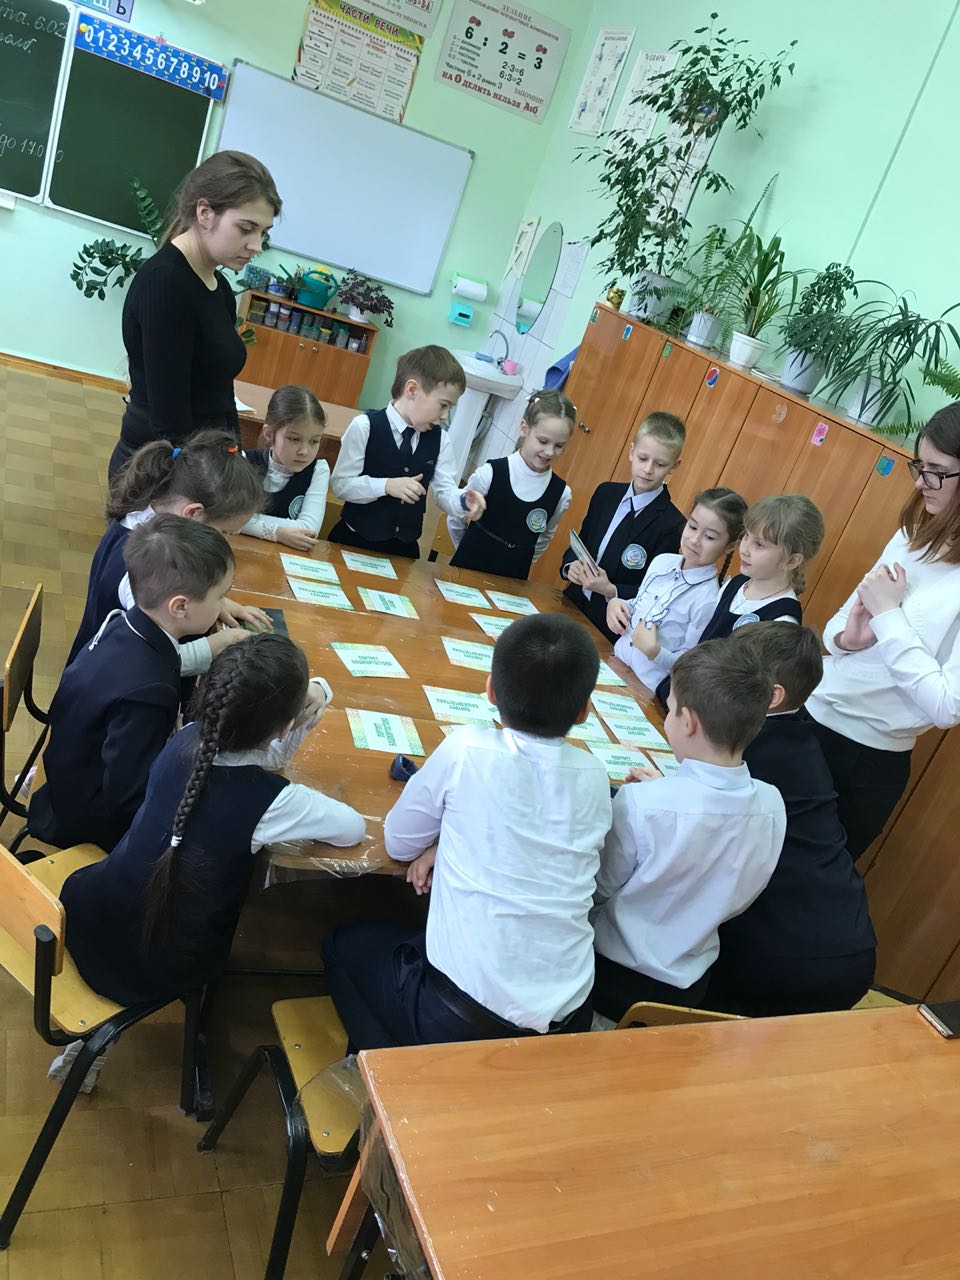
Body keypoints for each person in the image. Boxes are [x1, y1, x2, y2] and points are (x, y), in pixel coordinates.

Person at [322, 614, 612, 1050]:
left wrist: (440, 839)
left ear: (491, 690)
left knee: (342, 945)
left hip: (457, 1017)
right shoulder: (595, 774)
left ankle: (388, 1077)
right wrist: (448, 841)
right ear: (585, 710)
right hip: (568, 1022)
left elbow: (398, 843)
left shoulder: (466, 748)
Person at [58, 633, 365, 1007]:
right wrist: (316, 697)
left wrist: (313, 691)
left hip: (90, 908)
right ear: (285, 727)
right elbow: (353, 828)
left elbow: (265, 756)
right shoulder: (271, 802)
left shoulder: (188, 735)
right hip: (149, 965)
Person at [591, 638, 785, 1019]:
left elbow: (599, 887)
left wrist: (659, 800)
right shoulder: (772, 804)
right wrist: (667, 794)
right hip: (690, 985)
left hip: (613, 978)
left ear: (689, 722)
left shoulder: (642, 805)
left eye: (671, 709)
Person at [28, 516, 237, 851]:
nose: (222, 605)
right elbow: (128, 797)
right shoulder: (150, 692)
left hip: (67, 773)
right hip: (84, 818)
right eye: (220, 597)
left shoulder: (122, 623)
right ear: (180, 606)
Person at [807, 404, 960, 860]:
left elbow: (946, 705)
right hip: (812, 712)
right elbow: (839, 625)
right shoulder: (913, 534)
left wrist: (889, 618)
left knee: (797, 887)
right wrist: (848, 640)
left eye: (937, 472)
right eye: (920, 466)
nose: (920, 482)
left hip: (867, 759)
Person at [706, 623, 877, 1016]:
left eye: (733, 674)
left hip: (785, 956)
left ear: (772, 695)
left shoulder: (749, 750)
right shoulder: (797, 738)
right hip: (849, 947)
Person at [109, 151, 281, 479]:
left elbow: (219, 392)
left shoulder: (219, 286)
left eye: (263, 232)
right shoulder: (166, 284)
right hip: (159, 472)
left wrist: (235, 456)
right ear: (205, 213)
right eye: (246, 228)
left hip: (202, 461)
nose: (256, 245)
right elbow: (170, 422)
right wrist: (208, 484)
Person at [69, 430, 267, 666]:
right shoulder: (145, 566)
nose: (225, 543)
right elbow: (148, 658)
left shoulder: (150, 523)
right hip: (111, 674)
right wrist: (214, 646)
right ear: (193, 513)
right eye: (224, 532)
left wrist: (216, 603)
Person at [655, 492, 825, 709]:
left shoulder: (783, 620)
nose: (744, 549)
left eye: (759, 545)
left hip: (708, 713)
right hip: (676, 693)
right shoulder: (736, 583)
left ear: (792, 560)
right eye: (746, 536)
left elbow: (749, 694)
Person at [329, 345, 483, 559]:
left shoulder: (441, 440)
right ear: (411, 390)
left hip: (404, 550)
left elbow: (444, 491)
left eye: (451, 408)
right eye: (443, 405)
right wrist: (386, 486)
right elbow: (341, 485)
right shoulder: (364, 426)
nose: (445, 417)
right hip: (353, 541)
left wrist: (464, 500)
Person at [560, 412, 687, 642]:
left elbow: (654, 590)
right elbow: (581, 541)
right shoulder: (605, 493)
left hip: (612, 626)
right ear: (631, 452)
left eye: (660, 464)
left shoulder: (673, 524)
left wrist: (611, 590)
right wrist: (570, 566)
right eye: (642, 458)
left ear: (674, 466)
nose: (648, 469)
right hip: (571, 602)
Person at [606, 487, 747, 691]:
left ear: (730, 546)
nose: (694, 540)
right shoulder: (661, 562)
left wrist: (654, 651)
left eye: (709, 537)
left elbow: (689, 663)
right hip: (615, 663)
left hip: (647, 689)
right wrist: (617, 604)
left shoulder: (707, 599)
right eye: (692, 527)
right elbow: (640, 605)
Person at [447, 390, 575, 579]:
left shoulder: (561, 494)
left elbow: (545, 536)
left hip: (512, 581)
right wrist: (463, 549)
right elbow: (456, 516)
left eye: (559, 446)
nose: (549, 452)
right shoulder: (490, 474)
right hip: (466, 572)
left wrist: (521, 559)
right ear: (524, 428)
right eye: (543, 441)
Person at [241, 385, 330, 551]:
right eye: (294, 439)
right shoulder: (244, 461)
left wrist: (252, 523)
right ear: (269, 434)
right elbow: (231, 517)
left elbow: (309, 529)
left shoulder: (318, 470)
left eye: (314, 441)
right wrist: (277, 533)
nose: (304, 451)